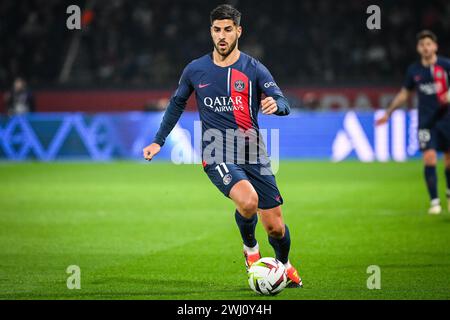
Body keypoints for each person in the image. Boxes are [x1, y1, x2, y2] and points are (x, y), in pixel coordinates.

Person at [143, 4, 303, 288]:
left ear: (238, 31)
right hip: (215, 150)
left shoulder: (253, 68)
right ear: (211, 32)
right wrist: (158, 140)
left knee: (275, 227)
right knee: (248, 200)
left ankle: (285, 265)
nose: (222, 36)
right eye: (217, 30)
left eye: (228, 30)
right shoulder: (196, 69)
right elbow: (176, 103)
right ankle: (251, 250)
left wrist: (274, 105)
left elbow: (284, 103)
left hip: (253, 151)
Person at [376, 30, 450, 215]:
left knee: (449, 161)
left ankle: (449, 192)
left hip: (447, 120)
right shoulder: (414, 70)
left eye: (429, 44)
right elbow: (404, 94)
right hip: (426, 121)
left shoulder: (446, 66)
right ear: (418, 48)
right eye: (422, 45)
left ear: (435, 46)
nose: (426, 48)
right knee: (429, 157)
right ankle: (434, 201)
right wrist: (389, 112)